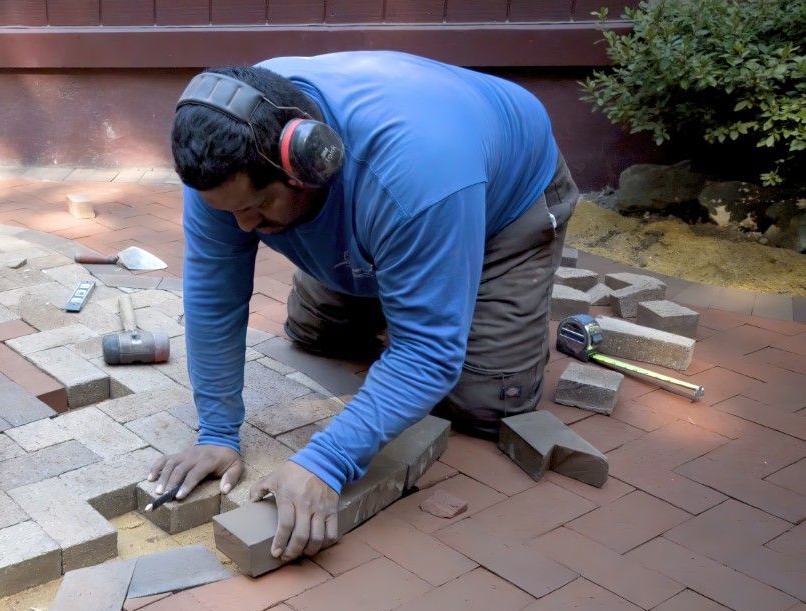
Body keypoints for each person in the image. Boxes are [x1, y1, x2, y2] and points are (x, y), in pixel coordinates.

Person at [150, 51, 578, 563]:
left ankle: (432, 274)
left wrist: (327, 463)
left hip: (505, 205)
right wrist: (216, 430)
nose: (243, 227)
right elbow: (212, 299)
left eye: (258, 207)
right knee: (316, 335)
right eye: (231, 210)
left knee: (483, 402)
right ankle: (409, 274)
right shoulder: (227, 159)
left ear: (309, 163)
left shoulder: (416, 171)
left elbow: (429, 354)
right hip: (405, 203)